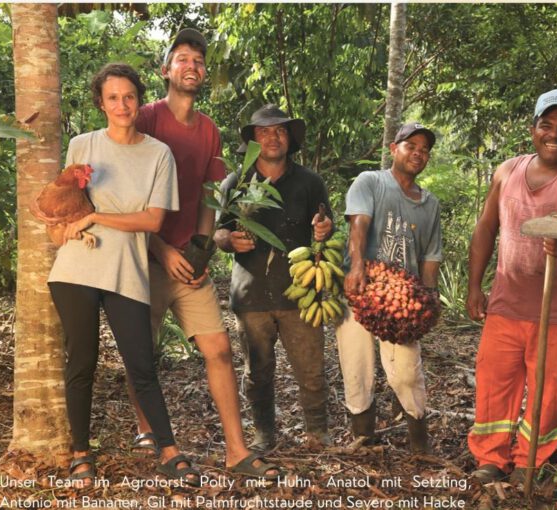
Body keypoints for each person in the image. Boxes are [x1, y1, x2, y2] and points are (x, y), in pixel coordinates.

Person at [128, 28, 279, 480]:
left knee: (217, 348)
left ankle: (237, 451)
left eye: (198, 60)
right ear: (166, 70)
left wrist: (200, 253)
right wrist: (159, 248)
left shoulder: (209, 129)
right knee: (144, 351)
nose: (191, 66)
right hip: (144, 257)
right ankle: (148, 434)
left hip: (186, 262)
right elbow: (127, 192)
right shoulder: (148, 118)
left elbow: (212, 198)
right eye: (182, 58)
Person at [47, 63, 196, 486]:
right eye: (112, 98)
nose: (121, 105)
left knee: (141, 364)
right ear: (101, 103)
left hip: (127, 272)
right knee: (82, 362)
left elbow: (152, 221)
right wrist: (66, 223)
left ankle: (168, 448)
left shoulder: (157, 154)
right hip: (76, 267)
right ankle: (80, 452)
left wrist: (96, 215)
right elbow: (65, 207)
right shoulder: (82, 144)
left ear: (138, 100)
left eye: (128, 96)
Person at [465, 89, 557, 483]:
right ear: (532, 129)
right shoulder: (508, 171)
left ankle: (531, 461)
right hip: (507, 302)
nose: (554, 134)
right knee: (495, 380)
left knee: (550, 390)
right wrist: (474, 285)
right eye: (546, 125)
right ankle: (491, 459)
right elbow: (485, 227)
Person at [214, 105, 334, 451]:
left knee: (311, 368)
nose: (273, 136)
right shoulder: (236, 183)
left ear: (289, 138)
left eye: (280, 130)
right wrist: (229, 240)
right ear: (253, 139)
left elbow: (326, 227)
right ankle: (264, 432)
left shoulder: (310, 182)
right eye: (264, 131)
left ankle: (317, 432)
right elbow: (219, 234)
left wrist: (324, 229)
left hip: (299, 292)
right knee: (257, 371)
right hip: (251, 293)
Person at [335, 122, 443, 454]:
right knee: (357, 368)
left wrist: (428, 298)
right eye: (411, 146)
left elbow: (430, 255)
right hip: (361, 289)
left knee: (407, 372)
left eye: (424, 150)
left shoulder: (429, 204)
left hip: (401, 299)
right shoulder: (370, 182)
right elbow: (360, 221)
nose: (418, 154)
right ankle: (364, 437)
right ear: (394, 149)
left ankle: (419, 443)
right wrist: (356, 266)